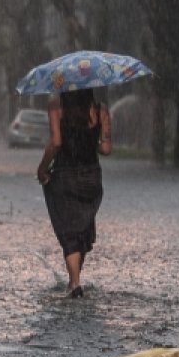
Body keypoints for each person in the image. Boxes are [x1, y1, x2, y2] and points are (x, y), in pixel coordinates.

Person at [35, 88, 112, 298]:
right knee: (83, 226)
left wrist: (42, 168)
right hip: (92, 177)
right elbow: (106, 149)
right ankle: (74, 279)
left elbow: (56, 142)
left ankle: (75, 283)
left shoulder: (56, 107)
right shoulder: (101, 110)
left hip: (65, 175)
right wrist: (90, 142)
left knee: (69, 229)